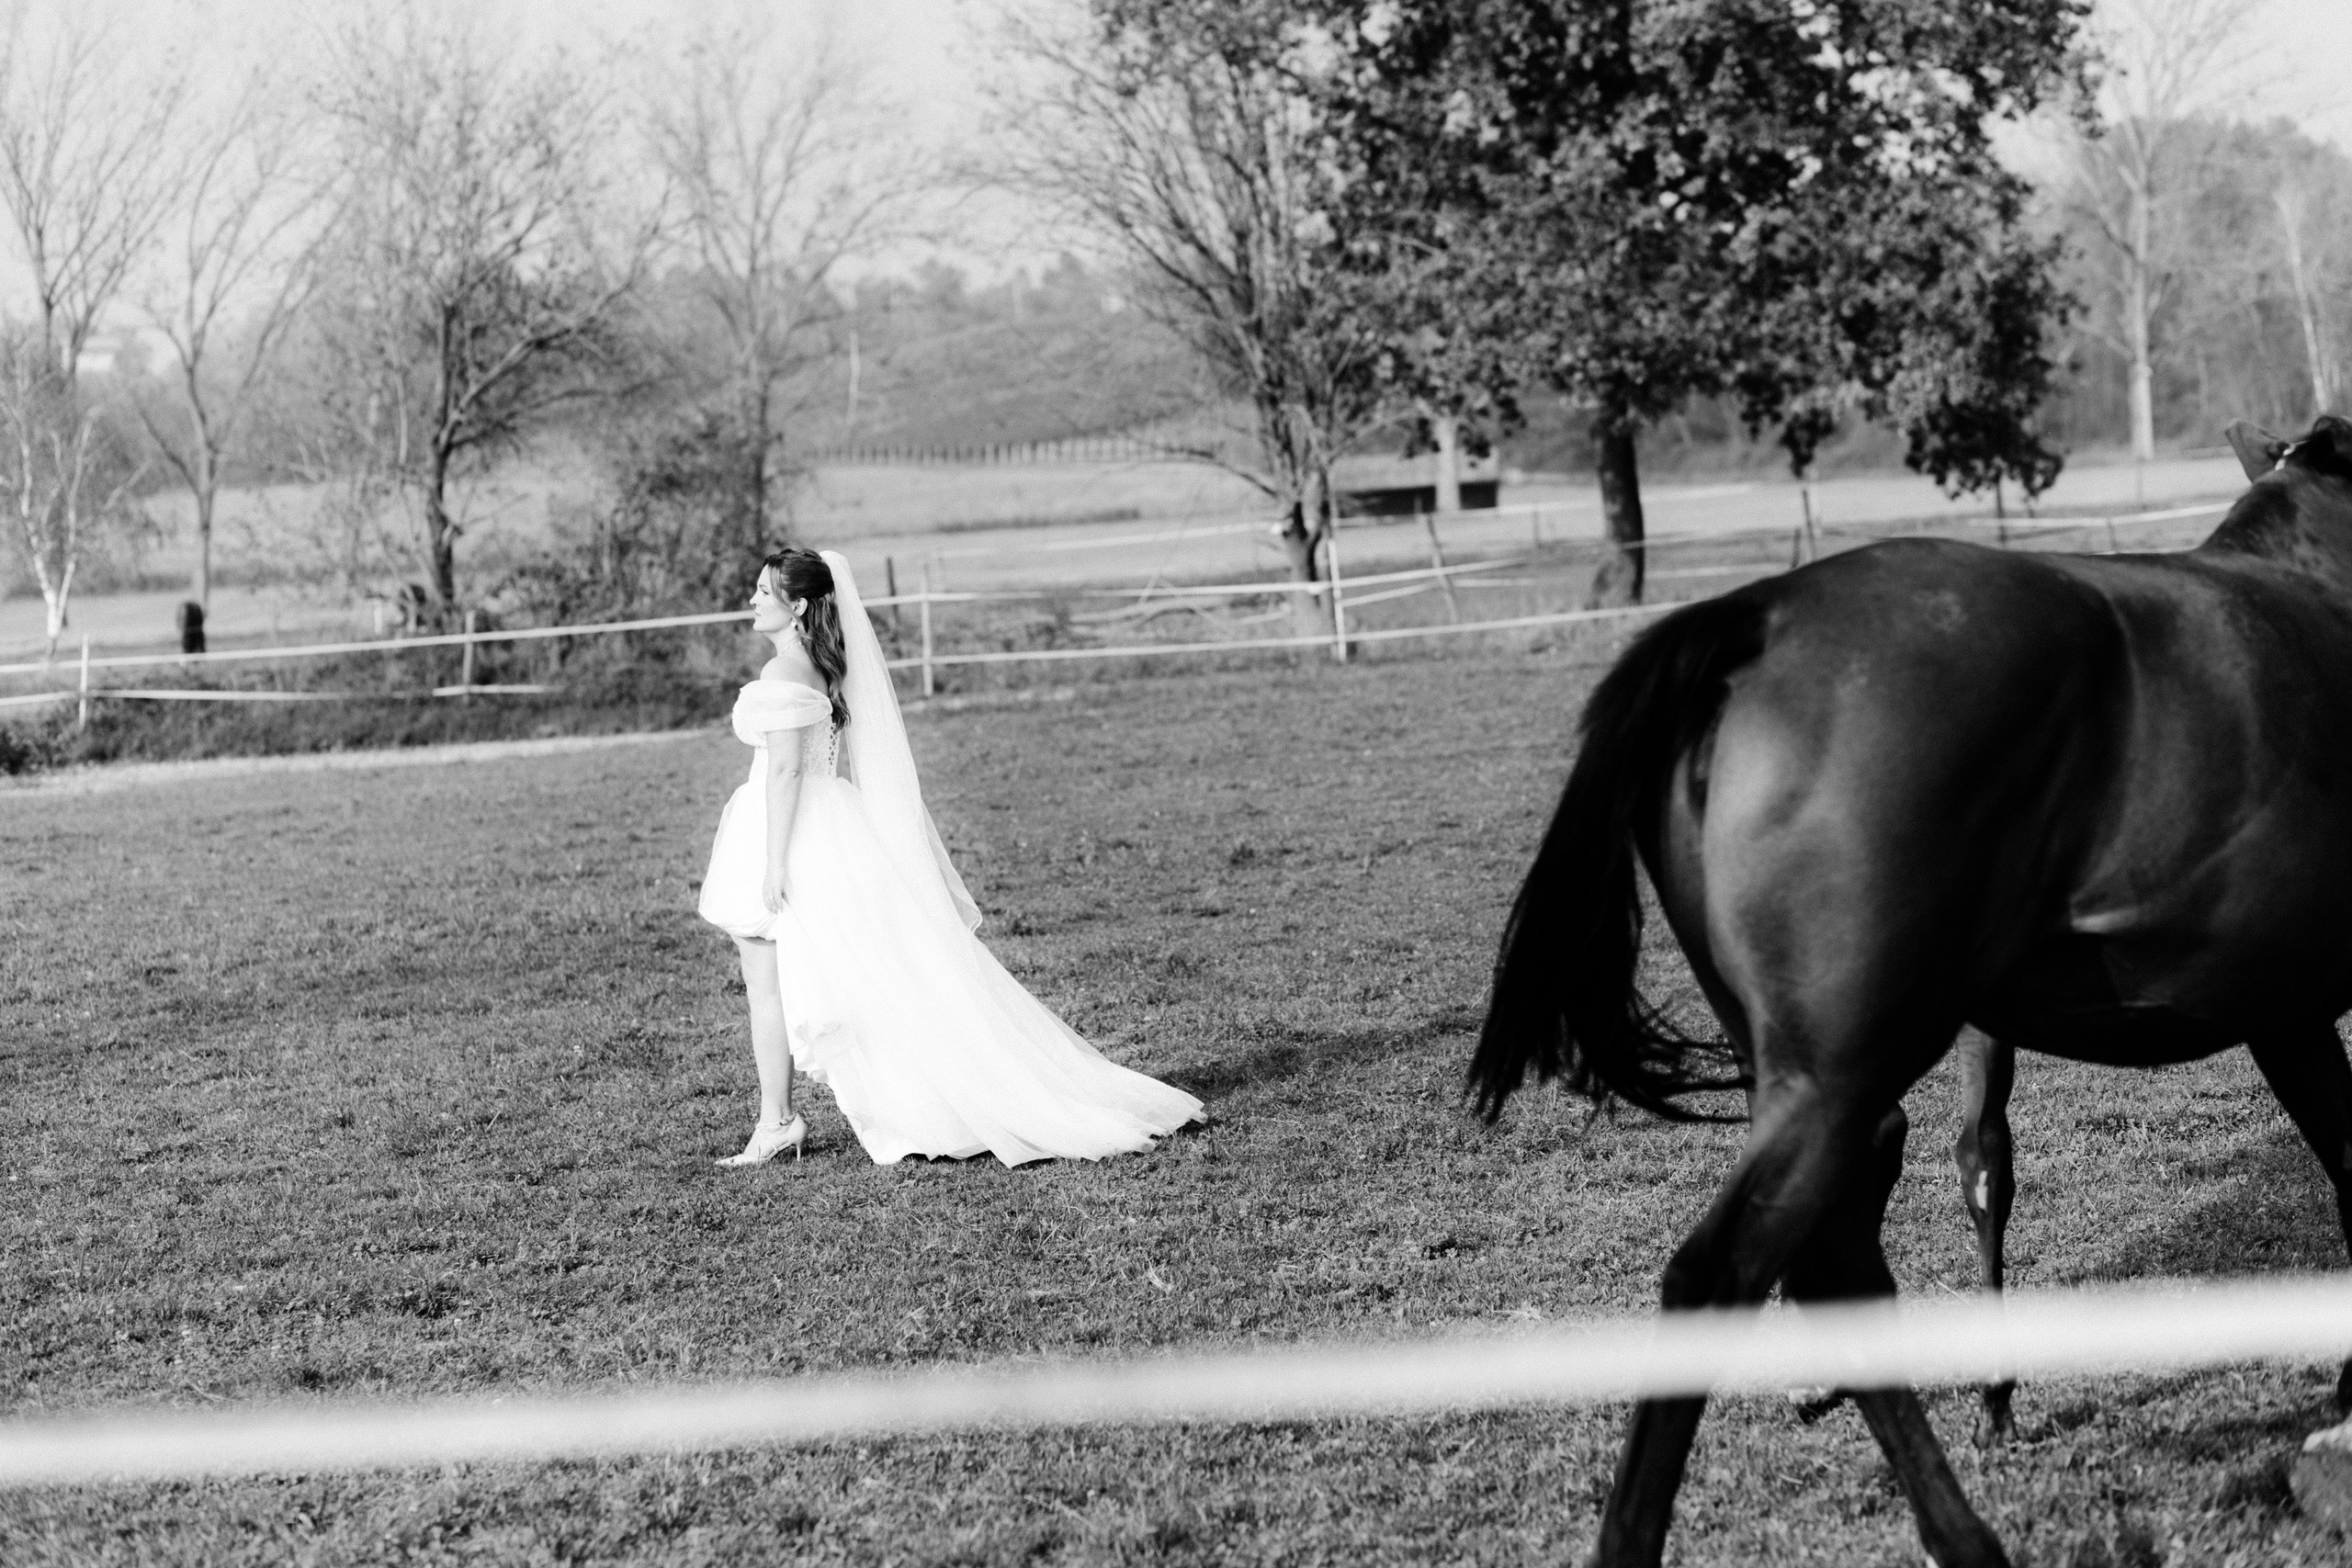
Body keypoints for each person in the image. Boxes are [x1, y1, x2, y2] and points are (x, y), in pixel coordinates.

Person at [697, 547, 1204, 1167]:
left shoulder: (783, 670)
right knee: (871, 977)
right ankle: (789, 1116)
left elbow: (783, 771)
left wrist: (775, 863)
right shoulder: (824, 666)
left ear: (797, 604)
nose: (752, 599)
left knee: (769, 984)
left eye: (763, 591)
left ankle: (778, 1120)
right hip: (829, 824)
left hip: (790, 830)